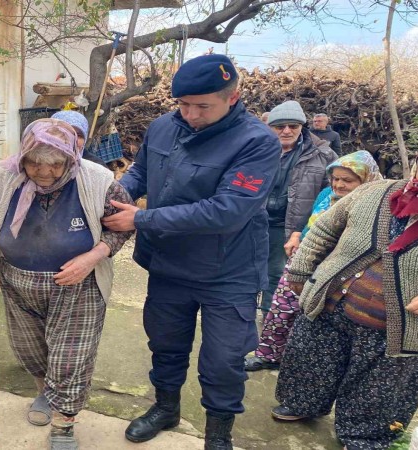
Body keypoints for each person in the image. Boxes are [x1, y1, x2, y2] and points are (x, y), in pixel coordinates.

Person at [101, 54, 282, 449]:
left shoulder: (257, 141)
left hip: (228, 271)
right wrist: (114, 196)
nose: (191, 114)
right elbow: (140, 172)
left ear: (232, 98)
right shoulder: (164, 127)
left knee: (223, 361)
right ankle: (166, 408)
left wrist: (141, 219)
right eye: (183, 104)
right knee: (165, 345)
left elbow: (229, 210)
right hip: (169, 264)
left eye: (203, 106)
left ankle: (218, 435)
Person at [0, 118, 133, 450]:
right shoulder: (0, 178)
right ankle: (46, 393)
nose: (45, 173)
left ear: (71, 157)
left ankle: (63, 423)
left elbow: (121, 226)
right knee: (30, 350)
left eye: (56, 165)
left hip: (78, 285)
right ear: (23, 155)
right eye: (34, 163)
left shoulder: (99, 181)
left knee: (71, 357)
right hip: (17, 282)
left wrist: (91, 257)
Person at [271, 137, 418, 450]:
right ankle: (302, 404)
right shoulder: (376, 191)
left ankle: (364, 434)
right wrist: (300, 270)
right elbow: (325, 229)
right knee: (312, 359)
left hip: (396, 322)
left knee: (378, 385)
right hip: (331, 302)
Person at [244, 151, 382, 371]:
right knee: (280, 309)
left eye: (347, 180)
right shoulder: (326, 194)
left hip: (336, 271)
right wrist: (297, 234)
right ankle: (269, 355)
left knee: (312, 323)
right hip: (303, 260)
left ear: (366, 180)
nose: (339, 185)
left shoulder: (375, 205)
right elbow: (310, 219)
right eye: (335, 178)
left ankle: (299, 368)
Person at [261, 101, 337, 313]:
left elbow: (332, 196)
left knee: (276, 274)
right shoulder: (257, 150)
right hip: (254, 223)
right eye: (280, 126)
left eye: (293, 126)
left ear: (302, 126)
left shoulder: (323, 155)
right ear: (271, 127)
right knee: (243, 272)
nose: (287, 131)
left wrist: (303, 231)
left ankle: (269, 322)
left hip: (291, 226)